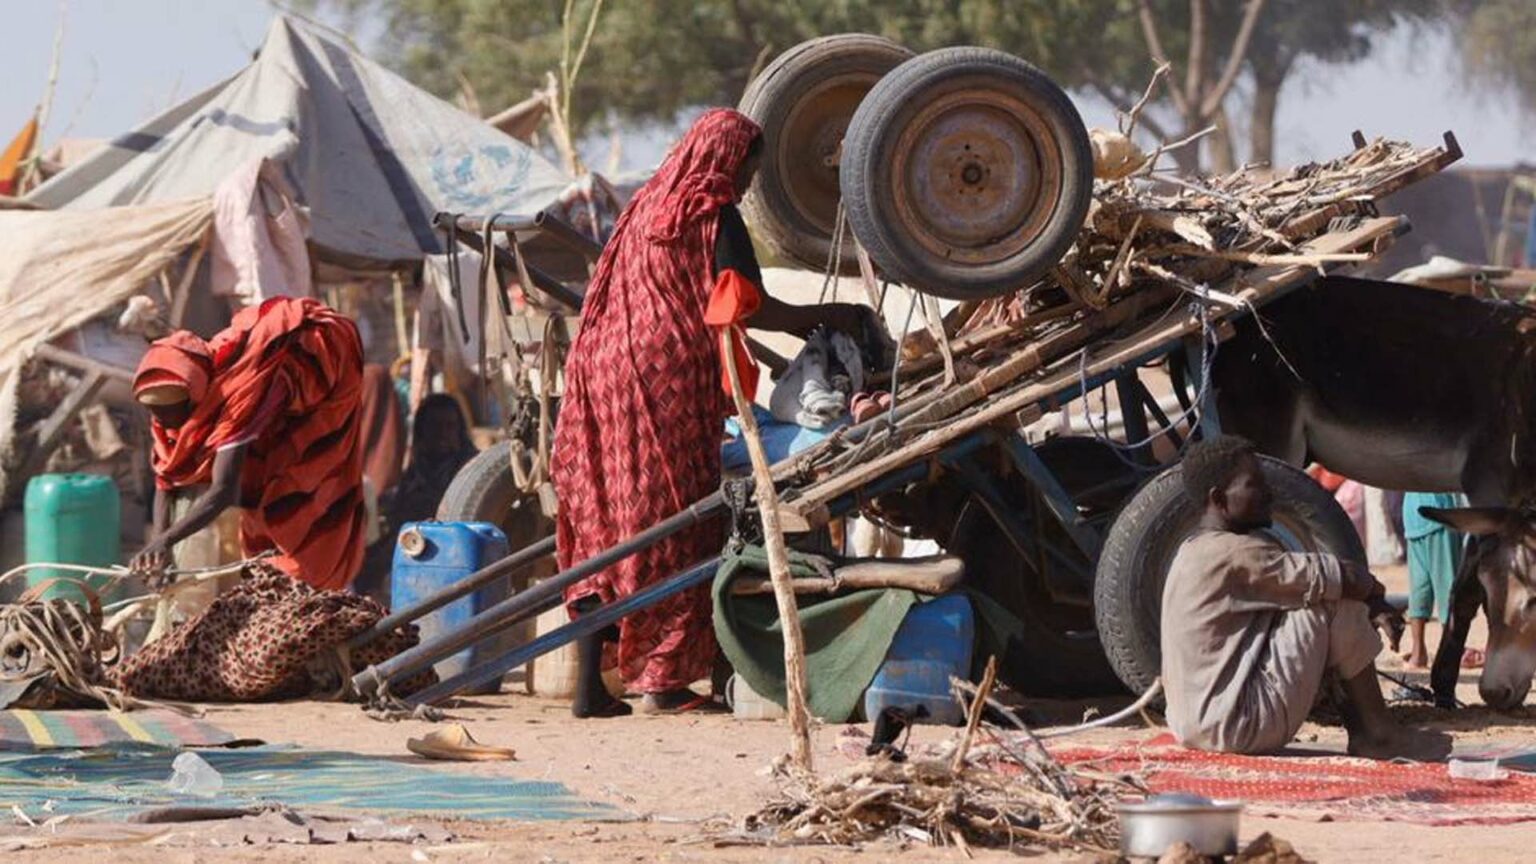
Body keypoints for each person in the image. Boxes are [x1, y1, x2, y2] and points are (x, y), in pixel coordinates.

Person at [551, 108, 878, 718]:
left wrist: (769, 356)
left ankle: (591, 686)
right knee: (674, 517)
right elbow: (744, 306)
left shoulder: (648, 206)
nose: (747, 183)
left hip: (598, 370)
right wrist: (829, 315)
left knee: (606, 520)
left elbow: (703, 303)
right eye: (748, 170)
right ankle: (665, 682)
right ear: (730, 161)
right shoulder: (711, 210)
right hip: (662, 377)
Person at [1161, 435, 1449, 759]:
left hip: (1193, 728)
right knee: (1335, 603)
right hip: (1236, 727)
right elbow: (1345, 579)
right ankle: (1376, 733)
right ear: (1219, 499)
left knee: (1314, 599)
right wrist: (1375, 598)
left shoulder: (1191, 550)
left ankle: (1370, 728)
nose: (1269, 492)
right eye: (1253, 484)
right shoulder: (1237, 553)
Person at [129, 297, 367, 592]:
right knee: (261, 516)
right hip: (272, 411)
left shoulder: (240, 398)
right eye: (153, 413)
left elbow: (224, 490)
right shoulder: (172, 395)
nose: (161, 422)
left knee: (308, 504)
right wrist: (159, 547)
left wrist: (166, 540)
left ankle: (325, 595)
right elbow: (167, 478)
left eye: (168, 414)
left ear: (192, 400)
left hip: (320, 382)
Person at [385, 394, 480, 530]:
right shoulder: (417, 470)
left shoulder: (473, 469)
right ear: (422, 430)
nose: (443, 434)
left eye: (450, 426)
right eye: (435, 426)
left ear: (459, 430)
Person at [1401, 491, 1469, 669]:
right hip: (1438, 513)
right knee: (1448, 590)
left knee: (1418, 587)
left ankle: (1418, 653)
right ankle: (1450, 654)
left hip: (1412, 514)